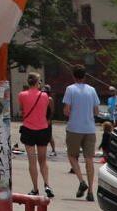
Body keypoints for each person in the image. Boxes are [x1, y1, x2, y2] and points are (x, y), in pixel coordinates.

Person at [62, 64, 100, 202]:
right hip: (89, 129)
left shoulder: (70, 89)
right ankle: (90, 191)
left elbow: (66, 110)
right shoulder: (92, 90)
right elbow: (96, 111)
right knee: (89, 159)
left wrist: (71, 113)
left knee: (72, 156)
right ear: (84, 76)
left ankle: (81, 181)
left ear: (74, 76)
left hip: (74, 128)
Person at [18, 72, 53, 198]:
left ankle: (35, 188)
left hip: (28, 129)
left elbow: (22, 110)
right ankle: (47, 184)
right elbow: (46, 110)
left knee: (32, 161)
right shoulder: (45, 96)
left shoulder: (22, 95)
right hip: (43, 129)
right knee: (43, 160)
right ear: (38, 82)